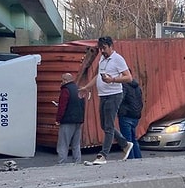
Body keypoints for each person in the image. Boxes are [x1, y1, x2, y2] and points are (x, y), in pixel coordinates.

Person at [79, 36, 134, 165]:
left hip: (114, 94)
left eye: (104, 48)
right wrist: (87, 87)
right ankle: (125, 144)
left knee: (108, 126)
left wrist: (112, 80)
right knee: (104, 125)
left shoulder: (118, 59)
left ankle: (103, 155)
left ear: (110, 46)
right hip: (103, 95)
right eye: (100, 48)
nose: (102, 51)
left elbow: (129, 78)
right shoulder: (102, 60)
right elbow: (98, 76)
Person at [55, 73, 85, 164]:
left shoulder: (65, 90)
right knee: (76, 144)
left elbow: (62, 106)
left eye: (62, 80)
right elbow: (82, 105)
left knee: (63, 144)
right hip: (78, 120)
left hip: (67, 120)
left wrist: (58, 119)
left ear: (65, 80)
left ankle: (62, 162)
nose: (61, 82)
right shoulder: (78, 89)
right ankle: (77, 162)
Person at [118, 72, 143, 159]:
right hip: (135, 116)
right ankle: (139, 159)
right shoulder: (137, 86)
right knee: (134, 139)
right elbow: (140, 101)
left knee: (128, 141)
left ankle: (130, 160)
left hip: (126, 115)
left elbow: (120, 99)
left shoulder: (124, 86)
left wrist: (117, 109)